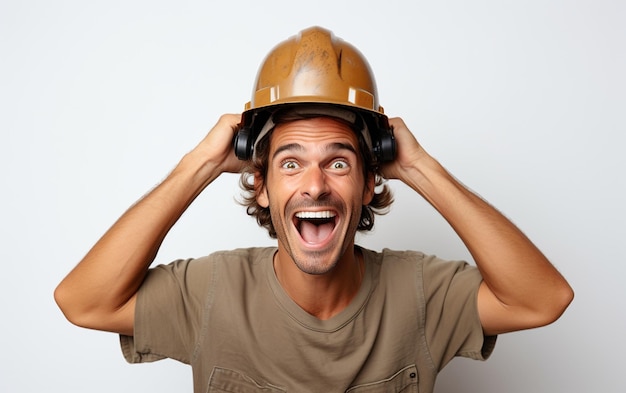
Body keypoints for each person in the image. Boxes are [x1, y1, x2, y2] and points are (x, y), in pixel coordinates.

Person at [55, 26, 573, 393]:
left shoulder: (421, 293)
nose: (315, 186)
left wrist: (419, 168)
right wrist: (199, 164)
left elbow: (542, 300)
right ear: (258, 184)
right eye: (290, 163)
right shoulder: (210, 292)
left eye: (340, 164)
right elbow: (84, 303)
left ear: (372, 181)